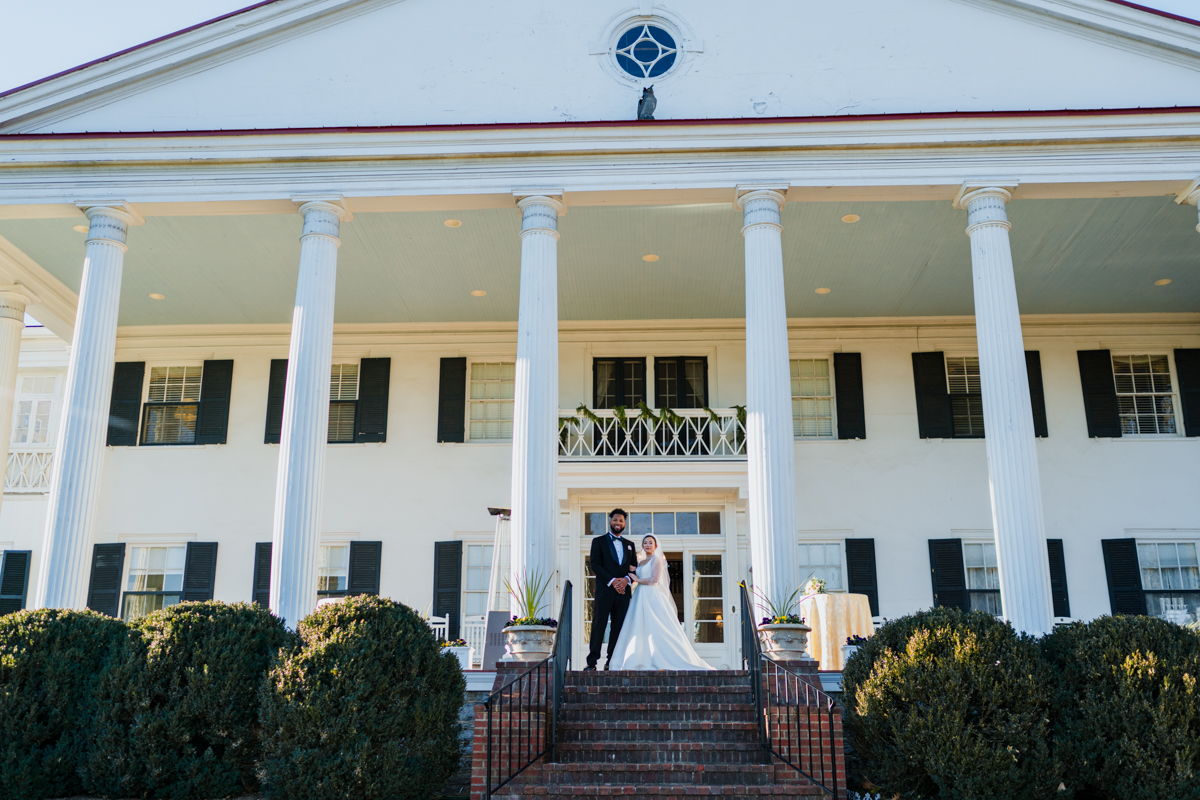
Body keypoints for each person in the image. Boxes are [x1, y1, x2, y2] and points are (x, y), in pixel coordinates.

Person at [609, 534, 713, 671]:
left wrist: (636, 579)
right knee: (639, 625)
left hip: (652, 595)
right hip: (640, 596)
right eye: (645, 542)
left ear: (655, 546)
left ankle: (662, 658)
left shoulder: (656, 560)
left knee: (655, 625)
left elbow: (654, 580)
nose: (647, 545)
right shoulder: (641, 563)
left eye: (650, 543)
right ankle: (639, 658)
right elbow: (636, 572)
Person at [585, 508, 638, 671]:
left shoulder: (630, 545)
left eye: (621, 521)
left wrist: (627, 580)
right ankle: (592, 663)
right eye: (615, 520)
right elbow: (595, 565)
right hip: (605, 591)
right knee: (599, 626)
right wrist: (613, 581)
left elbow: (634, 567)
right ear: (610, 521)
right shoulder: (598, 541)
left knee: (619, 628)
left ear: (625, 524)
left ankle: (612, 662)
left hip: (623, 594)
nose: (618, 523)